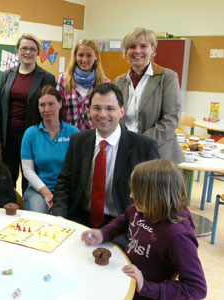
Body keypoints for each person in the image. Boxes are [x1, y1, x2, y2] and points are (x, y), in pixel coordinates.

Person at [82, 159, 207, 300]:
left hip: (146, 293)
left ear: (157, 197)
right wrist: (104, 233)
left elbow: (196, 289)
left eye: (137, 193)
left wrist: (145, 286)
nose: (131, 196)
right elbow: (126, 219)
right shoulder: (143, 208)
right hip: (125, 274)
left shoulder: (178, 236)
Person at [52, 83, 159, 231]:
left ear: (122, 111)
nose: (102, 114)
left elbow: (153, 197)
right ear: (89, 110)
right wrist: (59, 218)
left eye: (110, 108)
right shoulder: (78, 141)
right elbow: (64, 183)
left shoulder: (144, 147)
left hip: (123, 224)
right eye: (96, 108)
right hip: (79, 219)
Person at [114, 28, 183, 164]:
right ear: (126, 52)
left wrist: (140, 142)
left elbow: (171, 119)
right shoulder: (119, 81)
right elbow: (116, 116)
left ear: (152, 49)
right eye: (132, 47)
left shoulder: (167, 77)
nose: (137, 51)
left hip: (158, 152)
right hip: (125, 151)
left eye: (143, 46)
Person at [0, 33, 56, 190]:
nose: (28, 52)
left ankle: (28, 209)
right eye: (24, 48)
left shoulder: (47, 77)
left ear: (38, 52)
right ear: (18, 50)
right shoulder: (7, 75)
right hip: (8, 135)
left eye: (32, 49)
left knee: (30, 176)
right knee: (7, 175)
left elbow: (50, 108)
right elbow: (0, 105)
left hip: (32, 134)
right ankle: (9, 207)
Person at [21, 86, 79, 213]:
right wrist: (46, 193)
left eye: (51, 104)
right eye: (42, 105)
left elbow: (78, 169)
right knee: (41, 221)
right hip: (38, 190)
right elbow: (27, 170)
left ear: (60, 104)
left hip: (66, 191)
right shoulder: (30, 134)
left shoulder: (74, 133)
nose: (46, 109)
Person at [57, 39, 110, 130]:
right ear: (75, 56)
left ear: (96, 56)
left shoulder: (104, 83)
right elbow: (57, 110)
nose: (84, 60)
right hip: (69, 137)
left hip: (94, 137)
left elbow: (108, 114)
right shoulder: (63, 80)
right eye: (81, 55)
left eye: (89, 55)